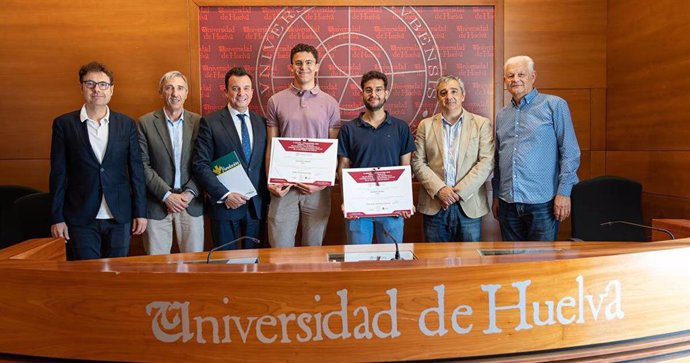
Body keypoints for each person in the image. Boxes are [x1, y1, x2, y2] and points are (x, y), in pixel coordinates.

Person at [49, 61, 147, 260]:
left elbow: (136, 171)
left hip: (119, 215)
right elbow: (58, 174)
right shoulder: (64, 125)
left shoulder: (126, 124)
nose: (97, 90)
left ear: (111, 89)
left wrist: (141, 212)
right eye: (90, 84)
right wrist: (57, 217)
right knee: (88, 277)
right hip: (80, 216)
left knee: (118, 274)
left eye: (103, 84)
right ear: (82, 87)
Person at [491, 55, 581, 241]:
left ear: (533, 76)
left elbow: (570, 152)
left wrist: (564, 193)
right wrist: (497, 196)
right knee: (511, 265)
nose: (515, 79)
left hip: (543, 203)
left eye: (521, 74)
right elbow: (498, 159)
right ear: (504, 80)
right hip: (508, 202)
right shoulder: (502, 115)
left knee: (542, 262)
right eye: (510, 75)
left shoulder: (554, 105)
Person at [265, 43, 341, 248]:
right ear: (291, 67)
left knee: (313, 249)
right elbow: (272, 145)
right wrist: (271, 181)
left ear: (317, 66)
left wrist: (323, 183)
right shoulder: (275, 101)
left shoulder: (330, 103)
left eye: (309, 62)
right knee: (280, 249)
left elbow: (334, 149)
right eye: (298, 63)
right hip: (284, 187)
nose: (303, 67)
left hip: (317, 189)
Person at [412, 75, 494, 242]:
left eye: (454, 91)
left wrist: (458, 193)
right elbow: (417, 162)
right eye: (443, 92)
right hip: (435, 204)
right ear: (438, 98)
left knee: (469, 262)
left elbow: (486, 162)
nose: (449, 96)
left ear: (462, 95)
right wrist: (440, 190)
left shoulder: (481, 124)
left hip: (468, 205)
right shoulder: (425, 125)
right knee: (435, 263)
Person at [337, 70, 415, 244]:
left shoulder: (401, 128)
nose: (374, 94)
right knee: (358, 261)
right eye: (368, 90)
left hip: (392, 208)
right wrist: (346, 201)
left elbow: (406, 167)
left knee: (391, 262)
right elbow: (343, 167)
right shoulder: (348, 129)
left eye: (378, 90)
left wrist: (405, 201)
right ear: (362, 94)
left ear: (386, 93)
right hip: (358, 208)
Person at [193, 67, 267, 249]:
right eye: (235, 88)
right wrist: (225, 195)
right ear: (226, 92)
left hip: (256, 208)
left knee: (255, 266)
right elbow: (200, 164)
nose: (241, 93)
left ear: (252, 91)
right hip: (225, 207)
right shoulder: (210, 123)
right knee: (226, 265)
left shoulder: (262, 123)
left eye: (246, 88)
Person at [137, 71, 204, 255]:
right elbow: (142, 165)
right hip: (157, 203)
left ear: (186, 93)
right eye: (169, 87)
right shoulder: (145, 123)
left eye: (180, 88)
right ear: (160, 92)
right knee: (157, 269)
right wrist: (167, 196)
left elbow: (204, 163)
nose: (175, 93)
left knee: (194, 266)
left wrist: (189, 194)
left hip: (190, 203)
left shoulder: (199, 122)